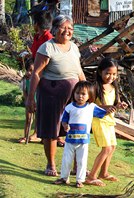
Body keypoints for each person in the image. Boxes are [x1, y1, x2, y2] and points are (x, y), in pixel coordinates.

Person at [26, 15, 86, 176]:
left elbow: (78, 70)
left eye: (70, 29)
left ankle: (76, 166)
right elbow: (37, 74)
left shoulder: (74, 47)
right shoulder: (47, 48)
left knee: (75, 129)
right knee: (51, 129)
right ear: (54, 29)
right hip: (51, 93)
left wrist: (87, 89)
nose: (67, 31)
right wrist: (30, 98)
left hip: (74, 95)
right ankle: (51, 165)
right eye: (63, 27)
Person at [54, 81, 108, 188]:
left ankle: (80, 180)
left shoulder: (91, 107)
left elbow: (103, 112)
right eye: (78, 93)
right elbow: (64, 120)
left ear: (89, 95)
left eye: (83, 94)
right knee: (66, 159)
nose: (80, 96)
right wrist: (65, 126)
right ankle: (64, 177)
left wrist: (116, 107)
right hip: (70, 140)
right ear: (74, 94)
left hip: (83, 141)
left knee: (82, 161)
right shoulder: (69, 107)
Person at [85, 58, 128, 186]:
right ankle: (91, 177)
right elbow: (90, 105)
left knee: (113, 147)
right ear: (100, 72)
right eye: (108, 73)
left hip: (110, 120)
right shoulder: (95, 87)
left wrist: (120, 105)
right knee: (106, 148)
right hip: (99, 120)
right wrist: (106, 107)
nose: (111, 77)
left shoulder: (114, 86)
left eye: (114, 74)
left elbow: (115, 103)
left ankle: (103, 173)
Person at [25, 10, 54, 143]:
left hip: (48, 77)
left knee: (46, 107)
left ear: (37, 24)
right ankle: (39, 133)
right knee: (37, 105)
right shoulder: (37, 38)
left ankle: (46, 134)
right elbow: (33, 56)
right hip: (37, 76)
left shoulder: (49, 39)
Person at [18, 58, 40, 143]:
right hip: (29, 103)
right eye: (28, 70)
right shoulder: (25, 80)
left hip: (39, 103)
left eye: (32, 70)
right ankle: (25, 136)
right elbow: (25, 92)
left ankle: (36, 135)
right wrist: (28, 102)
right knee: (28, 119)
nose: (30, 73)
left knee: (38, 120)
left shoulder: (40, 80)